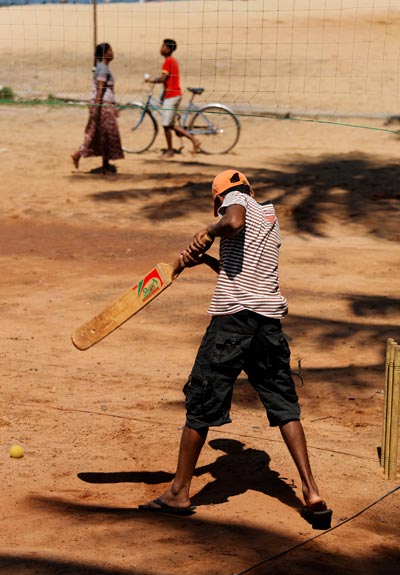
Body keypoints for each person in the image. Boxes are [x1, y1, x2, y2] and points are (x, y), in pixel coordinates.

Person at [139, 169, 333, 530]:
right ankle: (312, 494)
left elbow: (231, 221)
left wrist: (207, 232)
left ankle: (179, 493)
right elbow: (245, 273)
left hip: (232, 324)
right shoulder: (270, 217)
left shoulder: (234, 202)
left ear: (218, 198)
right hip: (268, 325)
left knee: (202, 399)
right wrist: (208, 260)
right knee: (283, 403)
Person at [71, 43, 124, 174]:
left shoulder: (102, 68)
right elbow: (101, 89)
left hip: (105, 105)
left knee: (102, 134)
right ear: (105, 53)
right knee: (103, 134)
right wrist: (97, 107)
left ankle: (103, 163)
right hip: (103, 105)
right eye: (110, 50)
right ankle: (80, 154)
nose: (112, 53)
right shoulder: (103, 69)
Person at [145, 39, 201, 159]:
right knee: (170, 124)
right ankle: (193, 140)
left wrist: (152, 80)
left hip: (172, 95)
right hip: (173, 94)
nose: (161, 48)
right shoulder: (172, 61)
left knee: (166, 125)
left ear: (169, 49)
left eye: (164, 47)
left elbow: (163, 78)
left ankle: (171, 150)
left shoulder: (168, 62)